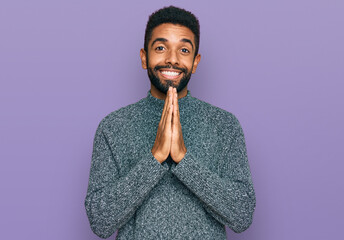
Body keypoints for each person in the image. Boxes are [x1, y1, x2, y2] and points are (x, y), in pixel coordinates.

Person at [84, 5, 256, 239]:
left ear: (195, 62)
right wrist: (155, 158)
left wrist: (183, 160)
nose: (172, 59)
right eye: (161, 47)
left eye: (183, 50)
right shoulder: (113, 127)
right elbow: (100, 222)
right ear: (144, 57)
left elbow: (242, 215)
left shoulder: (224, 126)